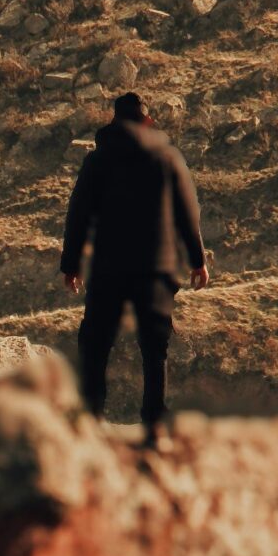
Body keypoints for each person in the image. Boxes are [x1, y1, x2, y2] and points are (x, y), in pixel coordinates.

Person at [60, 90, 209, 444]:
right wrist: (198, 260)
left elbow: (78, 213)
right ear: (147, 122)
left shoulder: (97, 161)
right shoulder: (167, 157)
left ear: (114, 121)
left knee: (95, 344)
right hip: (155, 267)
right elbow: (187, 211)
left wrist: (71, 265)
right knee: (155, 348)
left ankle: (91, 418)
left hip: (108, 267)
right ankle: (154, 423)